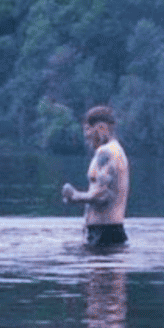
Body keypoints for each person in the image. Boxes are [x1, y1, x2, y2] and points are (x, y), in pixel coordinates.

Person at [61, 105, 130, 248]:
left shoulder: (106, 152)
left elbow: (103, 194)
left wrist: (75, 196)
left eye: (87, 129)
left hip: (104, 234)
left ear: (101, 128)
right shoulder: (116, 151)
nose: (85, 136)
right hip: (108, 232)